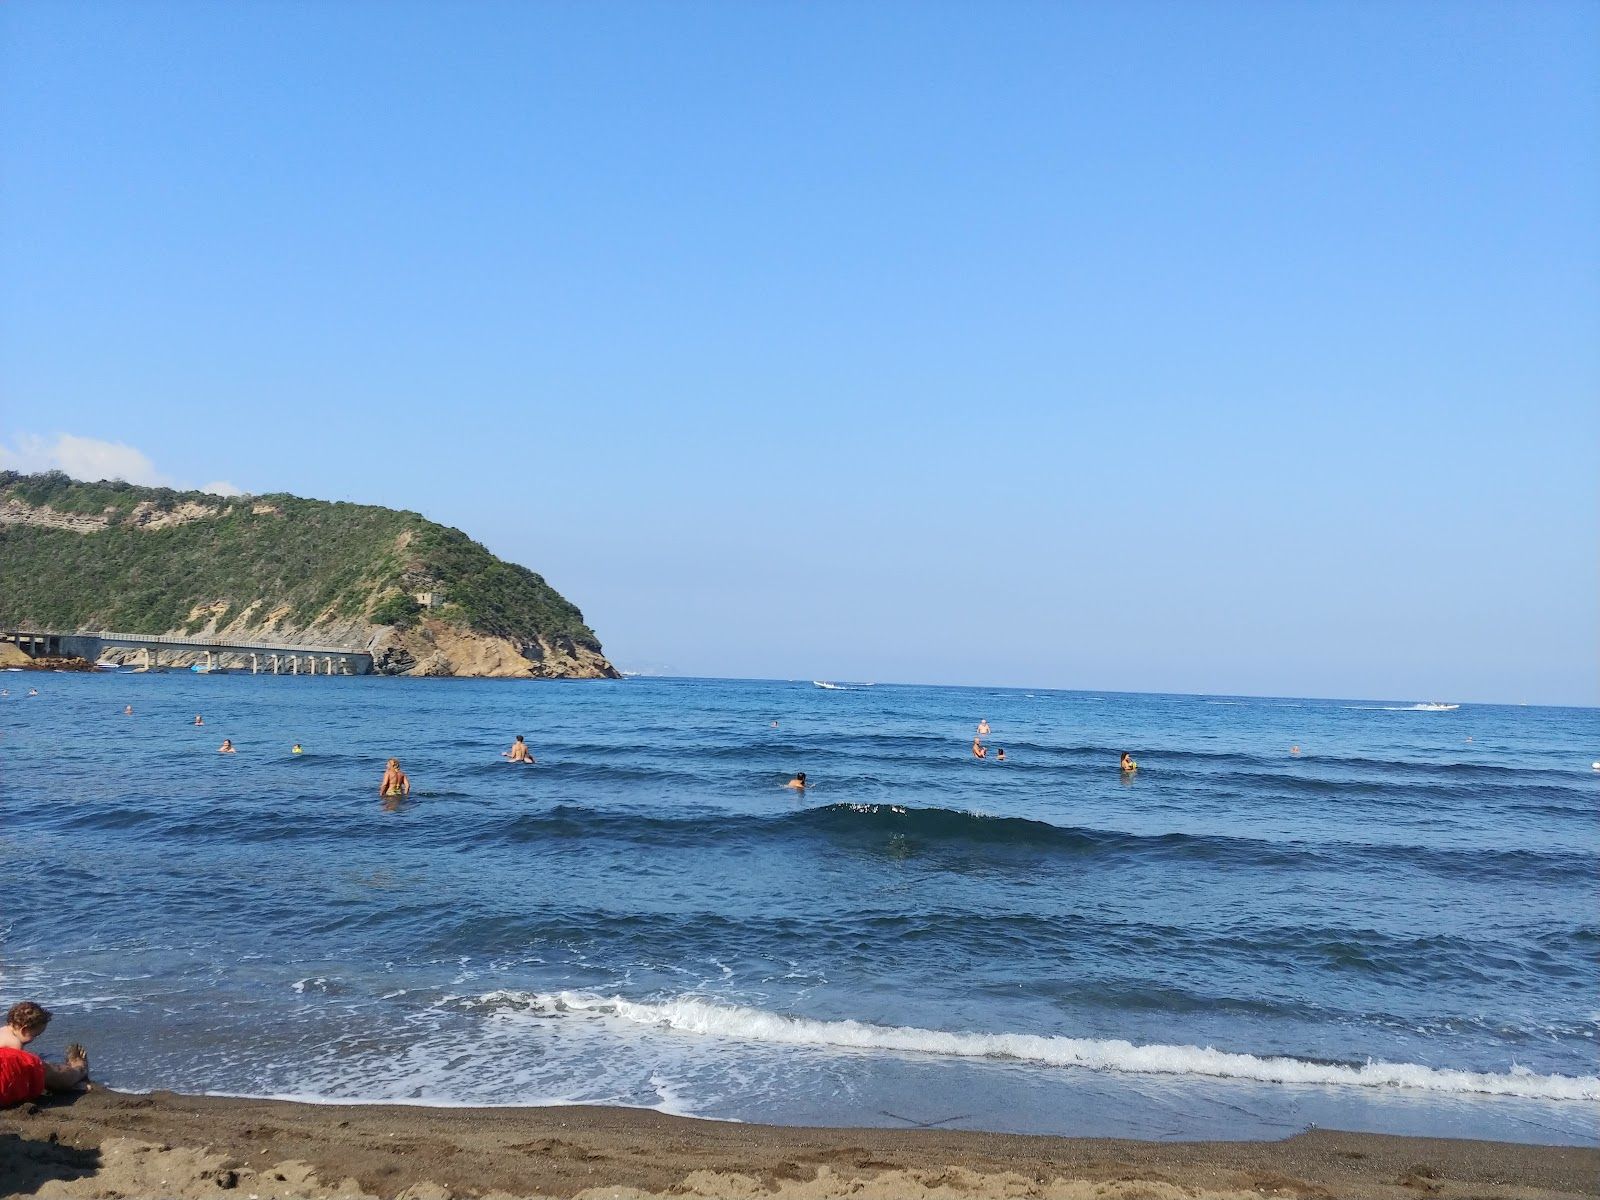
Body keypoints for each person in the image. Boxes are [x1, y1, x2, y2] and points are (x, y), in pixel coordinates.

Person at [0, 1002, 89, 1107]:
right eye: (35, 1035)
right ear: (24, 1030)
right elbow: (19, 1067)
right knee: (40, 1068)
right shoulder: (15, 1044)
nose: (35, 1038)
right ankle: (79, 1070)